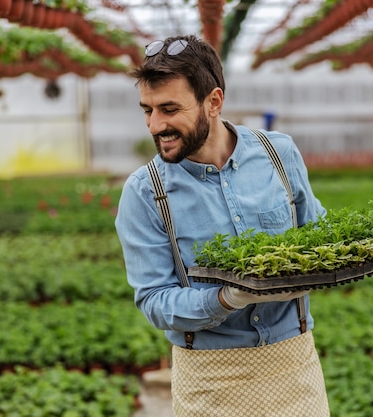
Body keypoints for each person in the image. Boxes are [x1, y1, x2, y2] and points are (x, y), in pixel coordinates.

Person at [115, 34, 330, 416]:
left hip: (294, 365)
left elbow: (316, 234)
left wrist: (356, 251)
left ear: (213, 102)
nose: (154, 125)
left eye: (169, 108)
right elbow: (153, 300)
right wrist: (225, 299)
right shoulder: (145, 193)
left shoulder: (278, 154)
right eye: (147, 110)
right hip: (210, 379)